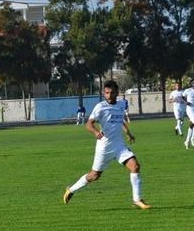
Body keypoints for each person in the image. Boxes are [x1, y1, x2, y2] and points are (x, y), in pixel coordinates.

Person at [63, 80, 151, 210]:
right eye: (106, 93)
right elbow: (88, 124)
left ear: (116, 93)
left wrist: (128, 133)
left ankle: (137, 199)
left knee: (135, 166)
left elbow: (119, 120)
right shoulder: (100, 107)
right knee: (94, 175)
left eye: (111, 92)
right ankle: (71, 189)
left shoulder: (121, 105)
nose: (108, 95)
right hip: (104, 146)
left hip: (119, 145)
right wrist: (96, 132)